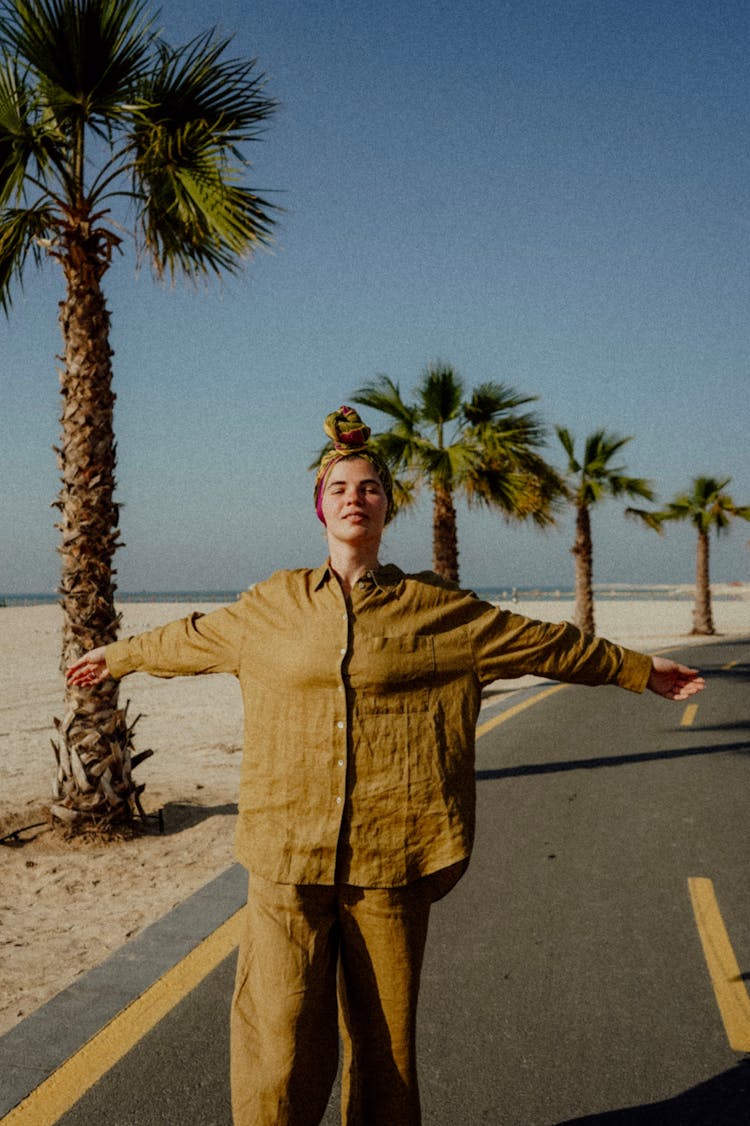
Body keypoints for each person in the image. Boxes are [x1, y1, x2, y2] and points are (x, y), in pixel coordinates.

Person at [67, 405, 704, 1126]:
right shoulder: (270, 604)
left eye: (369, 488)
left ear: (386, 507)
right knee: (276, 1048)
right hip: (286, 858)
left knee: (385, 1050)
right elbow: (190, 637)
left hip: (392, 858)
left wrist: (636, 669)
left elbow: (542, 644)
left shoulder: (438, 609)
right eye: (340, 488)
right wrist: (116, 656)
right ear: (320, 506)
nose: (354, 498)